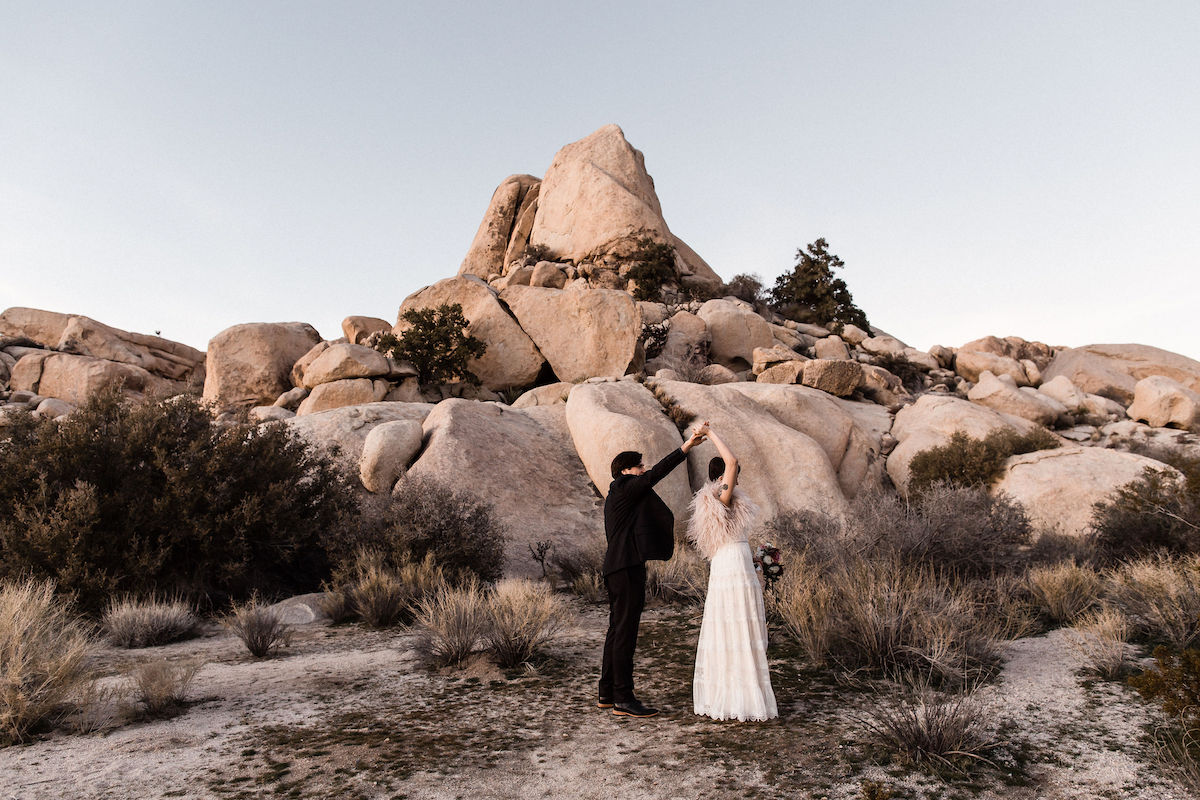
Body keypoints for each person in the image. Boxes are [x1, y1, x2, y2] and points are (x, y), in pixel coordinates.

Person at [600, 423, 709, 718]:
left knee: (616, 630)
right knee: (625, 633)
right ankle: (623, 698)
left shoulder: (616, 495)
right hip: (625, 569)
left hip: (617, 568)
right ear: (626, 471)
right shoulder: (624, 489)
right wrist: (687, 446)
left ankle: (607, 692)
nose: (643, 470)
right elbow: (656, 474)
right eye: (638, 467)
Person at [687, 423, 778, 722]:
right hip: (730, 566)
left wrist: (755, 557)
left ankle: (735, 692)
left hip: (735, 559)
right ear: (724, 476)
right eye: (732, 475)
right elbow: (733, 461)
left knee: (735, 623)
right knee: (735, 624)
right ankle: (740, 699)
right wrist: (709, 433)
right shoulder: (719, 495)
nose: (738, 477)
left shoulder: (728, 501)